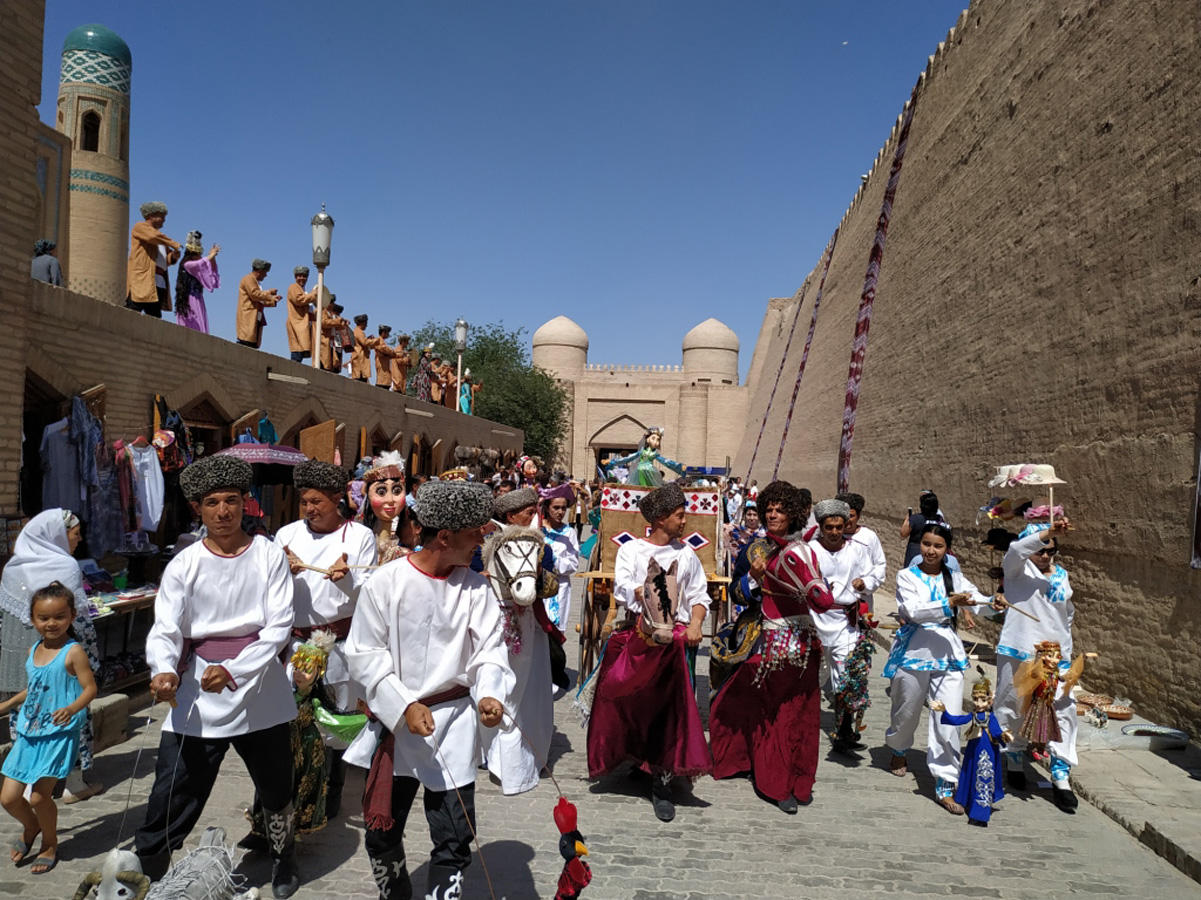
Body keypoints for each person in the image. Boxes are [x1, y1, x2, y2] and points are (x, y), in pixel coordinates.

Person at [134, 456, 300, 897]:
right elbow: (166, 627)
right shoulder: (184, 563)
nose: (223, 511)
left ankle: (283, 857)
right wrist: (164, 669)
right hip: (199, 689)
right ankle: (147, 872)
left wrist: (234, 669)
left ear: (245, 503)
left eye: (231, 501)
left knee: (276, 785)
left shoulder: (268, 555)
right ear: (198, 509)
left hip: (260, 686)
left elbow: (278, 627)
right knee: (173, 789)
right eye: (212, 503)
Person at [344, 480, 513, 900]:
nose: (481, 541)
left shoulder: (477, 589)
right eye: (475, 533)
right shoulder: (385, 583)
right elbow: (364, 653)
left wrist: (489, 693)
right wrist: (403, 705)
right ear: (445, 537)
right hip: (396, 725)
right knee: (381, 833)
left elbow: (490, 651)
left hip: (453, 726)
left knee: (454, 836)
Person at [585, 482, 712, 822]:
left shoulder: (687, 555)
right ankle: (632, 756)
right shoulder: (632, 550)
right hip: (640, 633)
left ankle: (662, 782)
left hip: (674, 639)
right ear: (659, 519)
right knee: (629, 701)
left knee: (667, 714)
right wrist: (646, 592)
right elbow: (624, 586)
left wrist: (696, 623)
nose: (684, 521)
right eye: (679, 516)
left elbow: (699, 596)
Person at [709, 481, 836, 814]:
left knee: (801, 710)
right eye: (769, 510)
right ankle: (766, 772)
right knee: (765, 704)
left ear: (792, 514)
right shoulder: (754, 549)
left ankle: (795, 774)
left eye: (780, 510)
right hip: (761, 629)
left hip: (802, 632)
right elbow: (736, 593)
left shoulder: (807, 549)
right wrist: (753, 577)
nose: (773, 515)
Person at [274, 460, 376, 818]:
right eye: (304, 501)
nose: (309, 509)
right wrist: (283, 572)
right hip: (298, 645)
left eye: (317, 501)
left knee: (336, 719)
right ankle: (292, 792)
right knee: (294, 718)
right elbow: (269, 590)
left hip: (339, 645)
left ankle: (332, 792)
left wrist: (345, 578)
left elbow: (368, 593)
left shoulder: (359, 537)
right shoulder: (286, 535)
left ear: (336, 500)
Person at [881, 522, 992, 814]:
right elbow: (913, 611)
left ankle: (945, 783)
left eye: (938, 546)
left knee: (949, 718)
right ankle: (898, 747)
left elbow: (977, 601)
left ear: (947, 550)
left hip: (948, 654)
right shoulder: (906, 576)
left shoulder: (955, 577)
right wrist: (948, 602)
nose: (931, 551)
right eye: (926, 544)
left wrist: (995, 603)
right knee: (906, 712)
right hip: (914, 650)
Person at [0, 509, 103, 803]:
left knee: (27, 719)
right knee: (71, 718)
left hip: (26, 665)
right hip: (63, 666)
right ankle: (74, 784)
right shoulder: (65, 566)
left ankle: (29, 783)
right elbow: (80, 623)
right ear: (56, 534)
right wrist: (90, 662)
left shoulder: (13, 568)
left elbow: (5, 624)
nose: (79, 540)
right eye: (75, 533)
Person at [0, 582, 98, 875]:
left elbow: (90, 688)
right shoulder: (34, 649)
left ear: (71, 616)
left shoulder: (73, 651)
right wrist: (7, 705)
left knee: (40, 796)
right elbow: (35, 688)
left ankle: (50, 842)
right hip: (28, 733)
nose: (51, 623)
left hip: (57, 735)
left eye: (59, 616)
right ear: (33, 619)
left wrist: (72, 708)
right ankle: (31, 827)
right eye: (44, 618)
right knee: (8, 798)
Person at [983, 515, 1080, 812]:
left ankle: (1061, 774)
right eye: (1040, 549)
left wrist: (1065, 650)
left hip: (1055, 657)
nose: (1045, 555)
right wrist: (1047, 531)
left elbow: (1067, 613)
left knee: (1064, 709)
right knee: (1014, 707)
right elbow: (1016, 549)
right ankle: (1013, 756)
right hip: (1020, 651)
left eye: (1051, 550)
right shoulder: (1016, 569)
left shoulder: (1061, 575)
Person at [807, 498, 880, 752]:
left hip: (845, 623)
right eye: (829, 527)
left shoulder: (856, 550)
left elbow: (874, 573)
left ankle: (844, 730)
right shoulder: (810, 551)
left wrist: (865, 583)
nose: (835, 532)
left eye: (839, 527)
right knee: (812, 675)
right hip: (815, 620)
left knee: (847, 675)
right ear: (821, 527)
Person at [359, 451, 419, 564]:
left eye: (397, 491)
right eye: (381, 492)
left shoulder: (405, 554)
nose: (390, 499)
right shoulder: (359, 542)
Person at [126, 201, 181, 318]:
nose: (164, 220)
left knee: (154, 317)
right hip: (143, 280)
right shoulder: (140, 227)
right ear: (151, 216)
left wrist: (173, 256)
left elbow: (165, 259)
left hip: (158, 283)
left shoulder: (160, 238)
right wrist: (173, 243)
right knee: (132, 312)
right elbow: (152, 236)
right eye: (162, 216)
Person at [838, 492, 886, 613]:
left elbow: (879, 565)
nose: (847, 520)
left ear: (858, 516)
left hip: (862, 599)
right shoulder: (831, 537)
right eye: (843, 515)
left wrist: (866, 584)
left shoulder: (868, 537)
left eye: (851, 516)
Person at [541, 487, 581, 635]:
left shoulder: (569, 533)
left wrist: (552, 558)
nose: (560, 512)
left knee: (555, 632)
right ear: (547, 508)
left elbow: (573, 564)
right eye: (556, 507)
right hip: (537, 586)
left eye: (563, 508)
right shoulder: (537, 529)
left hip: (559, 588)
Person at [603, 427, 685, 487]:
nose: (656, 442)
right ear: (647, 439)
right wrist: (612, 462)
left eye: (658, 439)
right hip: (640, 470)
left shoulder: (654, 453)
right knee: (640, 484)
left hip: (650, 471)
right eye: (653, 438)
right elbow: (628, 458)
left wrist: (679, 466)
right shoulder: (642, 451)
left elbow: (666, 461)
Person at [174, 232, 219, 334]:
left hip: (198, 299)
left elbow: (210, 275)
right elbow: (199, 264)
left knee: (200, 325)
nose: (200, 256)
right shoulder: (188, 265)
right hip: (188, 300)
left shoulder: (197, 266)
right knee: (191, 325)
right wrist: (210, 255)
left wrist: (213, 258)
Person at [236, 259, 281, 349]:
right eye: (265, 272)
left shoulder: (256, 282)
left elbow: (260, 300)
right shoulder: (248, 279)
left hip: (256, 317)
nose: (266, 275)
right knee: (246, 342)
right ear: (260, 271)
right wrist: (269, 294)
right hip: (248, 316)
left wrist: (273, 300)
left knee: (253, 342)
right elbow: (255, 294)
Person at [900, 490, 950, 566]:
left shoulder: (916, 519)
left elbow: (903, 534)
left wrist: (907, 519)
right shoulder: (939, 520)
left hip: (915, 552)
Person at [285, 267, 318, 362]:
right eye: (299, 276)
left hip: (304, 324)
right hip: (297, 323)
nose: (302, 278)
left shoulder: (303, 290)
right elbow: (299, 300)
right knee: (297, 350)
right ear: (295, 277)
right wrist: (313, 294)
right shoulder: (293, 287)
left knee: (301, 350)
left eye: (304, 276)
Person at [372, 325, 396, 390]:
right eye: (387, 333)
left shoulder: (382, 341)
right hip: (382, 365)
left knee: (386, 381)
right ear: (383, 333)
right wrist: (391, 351)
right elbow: (384, 349)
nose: (388, 334)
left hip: (385, 365)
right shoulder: (379, 340)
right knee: (382, 382)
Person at [350, 314, 372, 382]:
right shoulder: (358, 332)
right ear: (362, 323)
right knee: (359, 378)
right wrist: (375, 341)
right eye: (366, 323)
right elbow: (364, 342)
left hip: (360, 358)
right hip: (359, 358)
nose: (366, 325)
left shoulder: (358, 331)